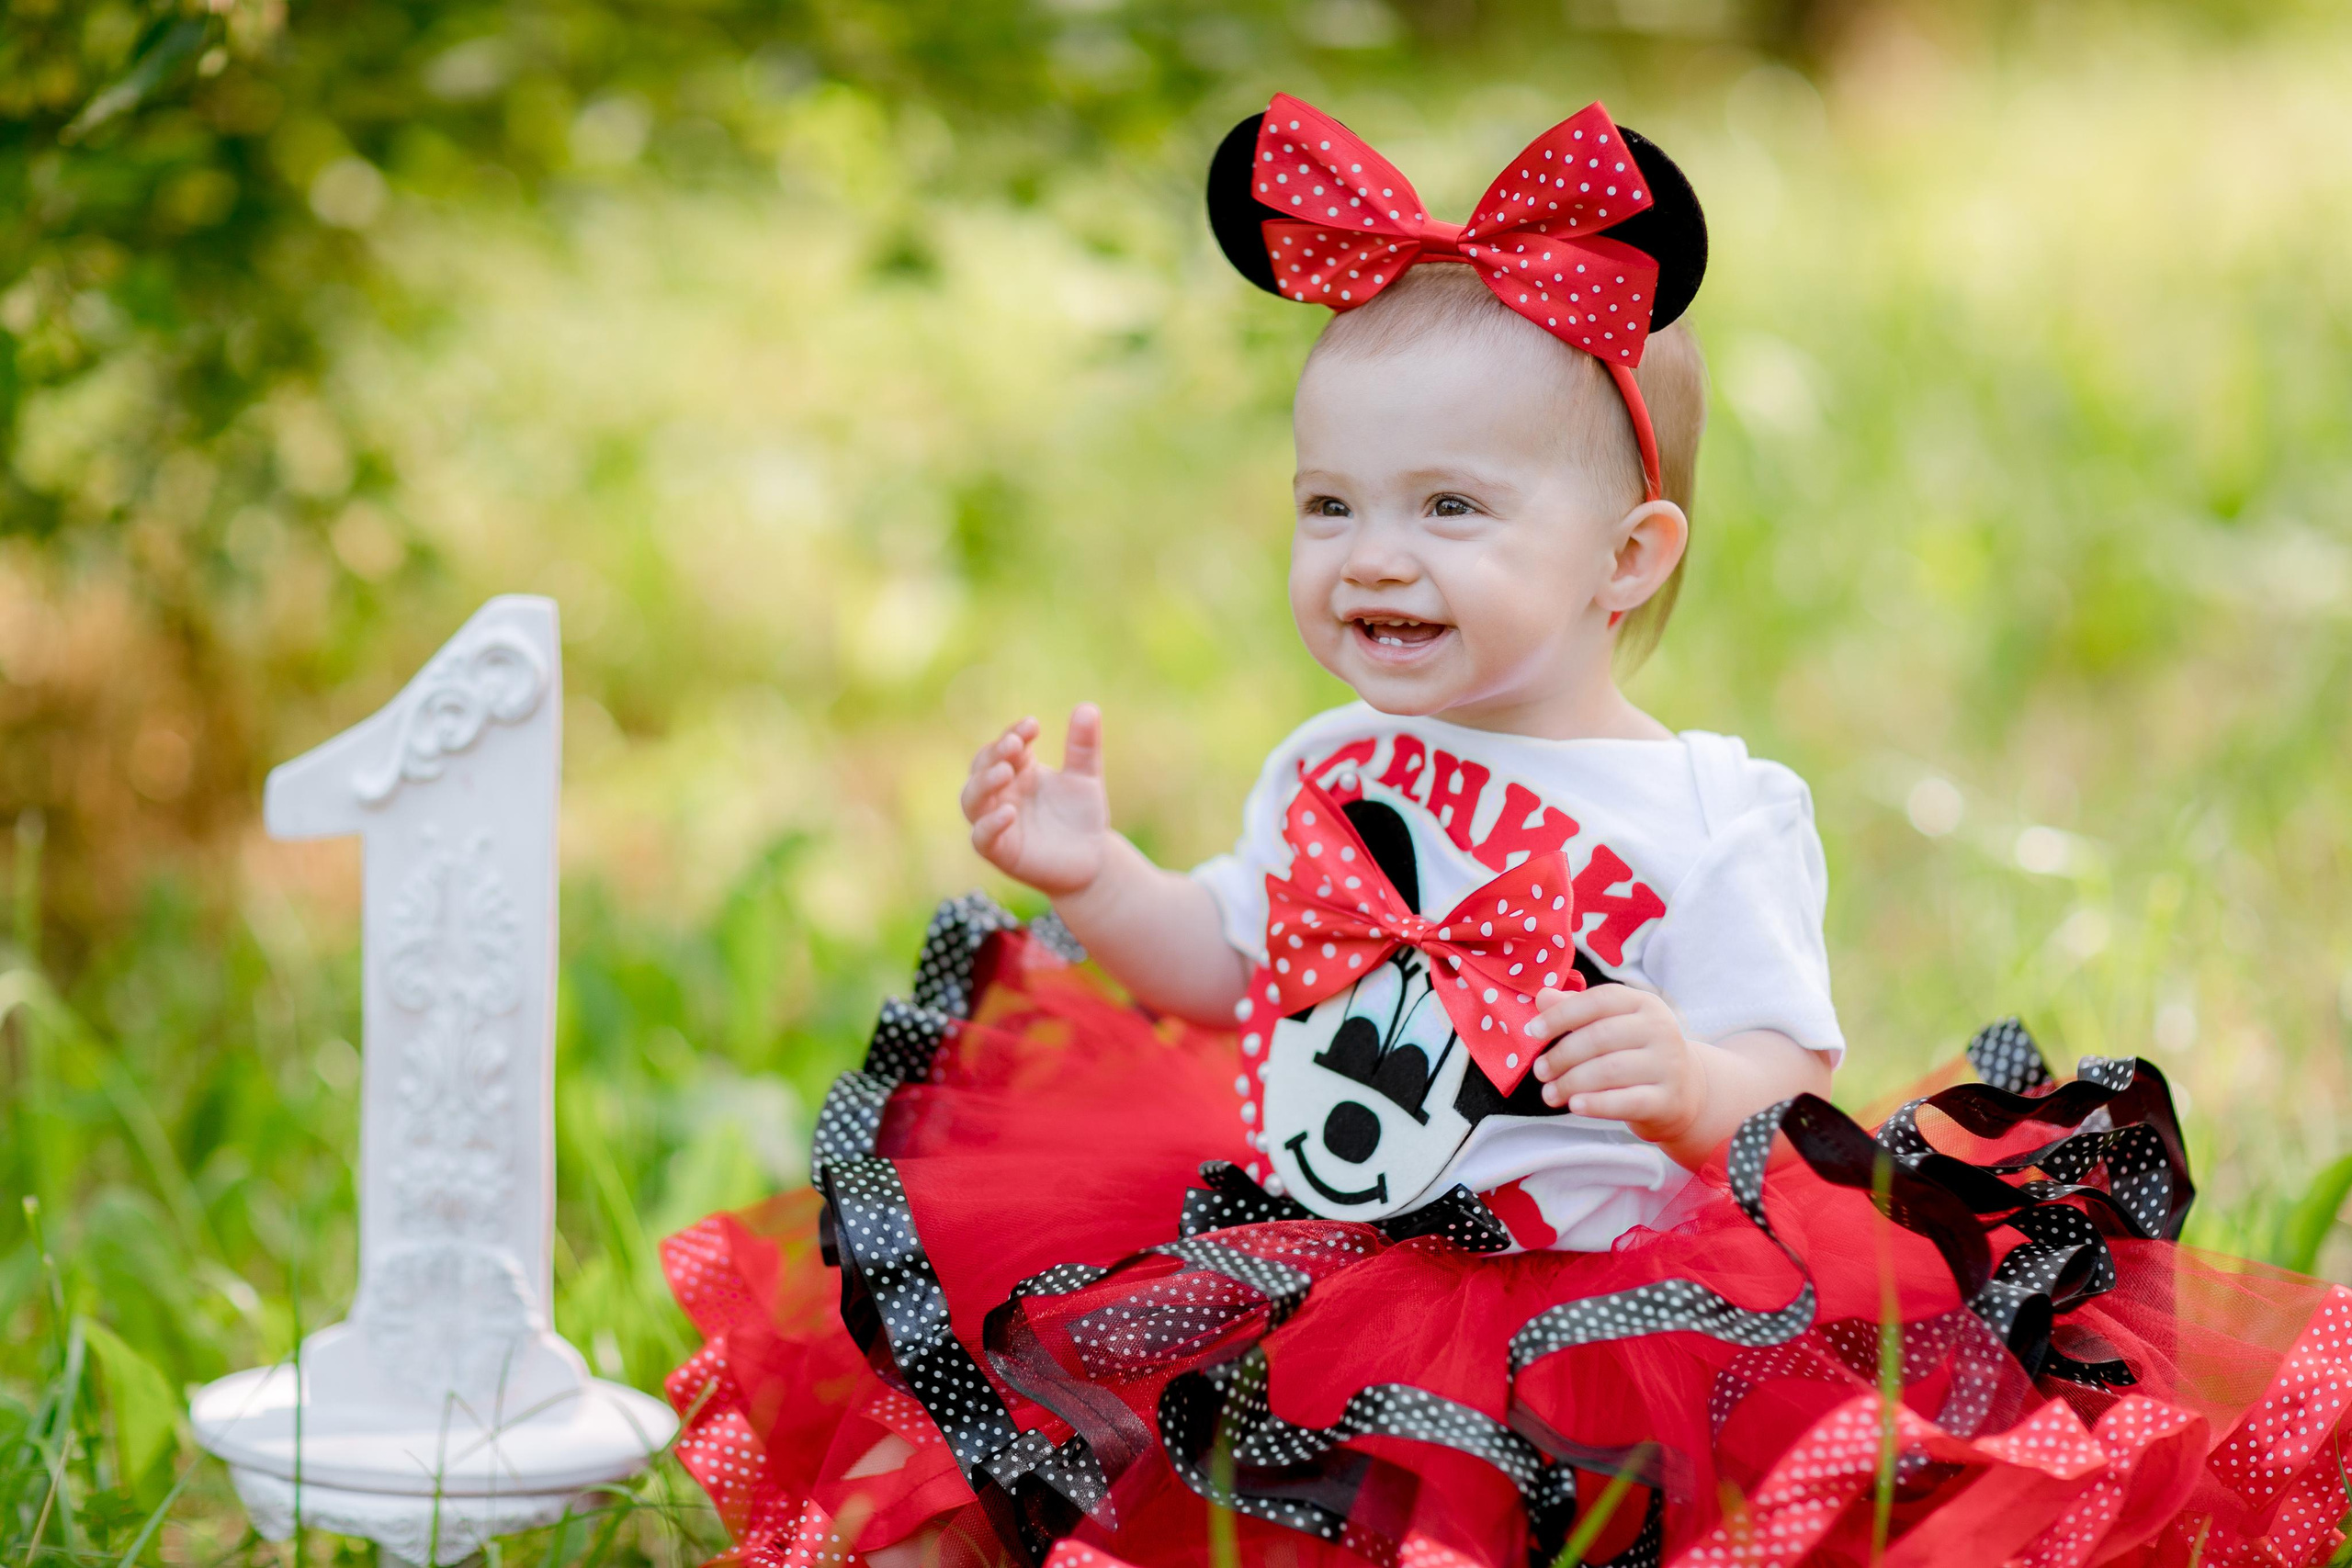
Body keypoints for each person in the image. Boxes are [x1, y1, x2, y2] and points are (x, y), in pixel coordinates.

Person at [660, 94, 2352, 1568]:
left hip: (1589, 1295)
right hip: (1297, 1247)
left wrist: (1694, 1084)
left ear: (1628, 558)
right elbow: (1222, 978)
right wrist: (1099, 877)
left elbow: (1792, 1070)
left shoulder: (1708, 810)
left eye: (1452, 509)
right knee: (1046, 1432)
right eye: (1332, 505)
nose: (1373, 557)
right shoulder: (1331, 763)